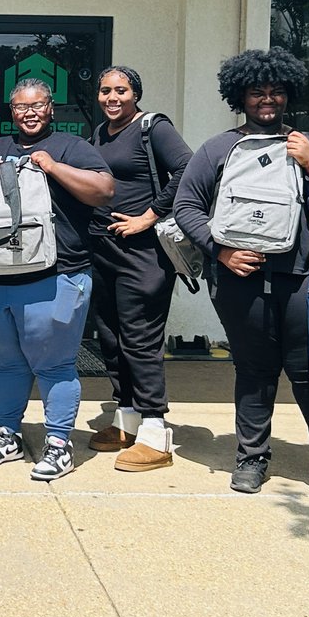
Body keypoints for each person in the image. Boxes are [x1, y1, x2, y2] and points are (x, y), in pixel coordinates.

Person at [172, 48, 309, 500]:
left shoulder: (308, 143)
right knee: (255, 371)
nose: (267, 100)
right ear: (241, 96)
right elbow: (186, 206)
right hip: (241, 282)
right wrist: (221, 251)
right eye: (257, 92)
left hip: (303, 280)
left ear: (288, 95)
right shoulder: (219, 148)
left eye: (276, 92)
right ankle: (251, 458)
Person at [0, 79, 115, 481]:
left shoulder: (73, 147)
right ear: (10, 110)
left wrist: (54, 167)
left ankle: (59, 443)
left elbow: (104, 190)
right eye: (20, 107)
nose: (29, 113)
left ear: (51, 108)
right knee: (9, 364)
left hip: (57, 276)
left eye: (37, 105)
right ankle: (8, 434)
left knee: (55, 365)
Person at [87, 66, 193, 472]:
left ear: (136, 94)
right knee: (112, 338)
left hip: (142, 254)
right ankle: (127, 420)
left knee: (140, 339)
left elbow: (188, 169)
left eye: (120, 90)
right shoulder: (100, 133)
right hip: (104, 250)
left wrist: (148, 216)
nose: (112, 97)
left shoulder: (153, 127)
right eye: (105, 90)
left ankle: (154, 431)